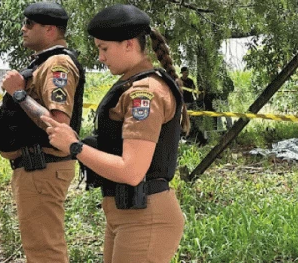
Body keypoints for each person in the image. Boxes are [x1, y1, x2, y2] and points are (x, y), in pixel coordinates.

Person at [41, 4, 188, 262]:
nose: (100, 57)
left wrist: (75, 147)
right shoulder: (133, 84)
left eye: (104, 48)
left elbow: (131, 171)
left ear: (129, 44)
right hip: (127, 212)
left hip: (144, 218)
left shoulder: (145, 92)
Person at [0, 2, 85, 262]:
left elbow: (58, 125)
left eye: (29, 24)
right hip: (36, 168)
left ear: (49, 30)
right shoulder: (44, 62)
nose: (23, 29)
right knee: (39, 248)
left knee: (45, 251)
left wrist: (19, 94)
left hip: (43, 167)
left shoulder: (58, 64)